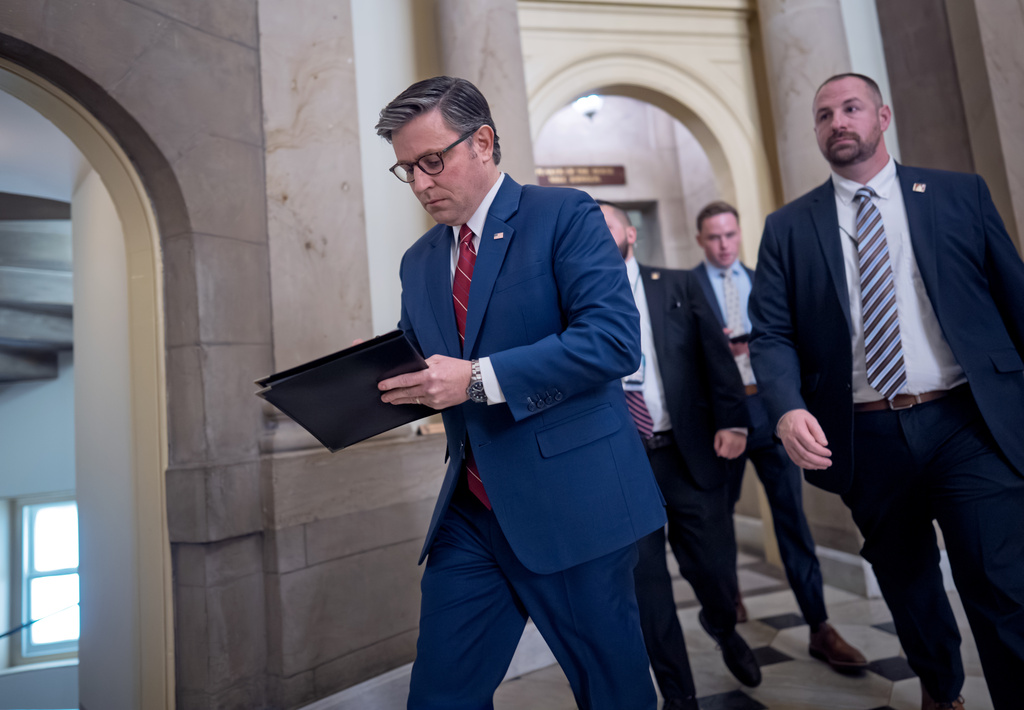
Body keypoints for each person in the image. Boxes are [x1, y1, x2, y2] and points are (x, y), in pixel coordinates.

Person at [373, 76, 667, 710]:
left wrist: (476, 378)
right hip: (471, 515)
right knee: (439, 697)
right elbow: (425, 364)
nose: (421, 183)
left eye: (431, 161)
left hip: (575, 505)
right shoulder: (419, 261)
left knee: (613, 694)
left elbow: (614, 342)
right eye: (407, 170)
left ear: (482, 142)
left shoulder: (564, 215)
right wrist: (353, 396)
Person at [748, 73, 1024, 710]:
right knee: (908, 583)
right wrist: (787, 407)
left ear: (883, 116)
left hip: (967, 422)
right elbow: (772, 333)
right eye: (823, 115)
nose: (837, 122)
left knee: (1000, 580)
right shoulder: (788, 228)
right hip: (867, 434)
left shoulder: (958, 194)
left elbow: (1013, 298)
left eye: (850, 109)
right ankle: (941, 691)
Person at [692, 200, 867, 672]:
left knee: (792, 522)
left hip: (771, 417)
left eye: (730, 235)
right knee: (717, 522)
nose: (724, 245)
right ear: (700, 240)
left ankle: (820, 627)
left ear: (739, 234)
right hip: (720, 422)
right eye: (713, 237)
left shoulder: (762, 280)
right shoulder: (685, 288)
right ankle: (728, 603)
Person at [599, 201, 761, 706]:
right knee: (648, 588)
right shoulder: (573, 300)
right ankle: (679, 696)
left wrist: (734, 421)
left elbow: (718, 358)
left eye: (605, 226)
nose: (596, 236)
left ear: (631, 233)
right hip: (622, 464)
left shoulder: (675, 285)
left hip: (684, 452)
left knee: (713, 569)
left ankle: (723, 625)